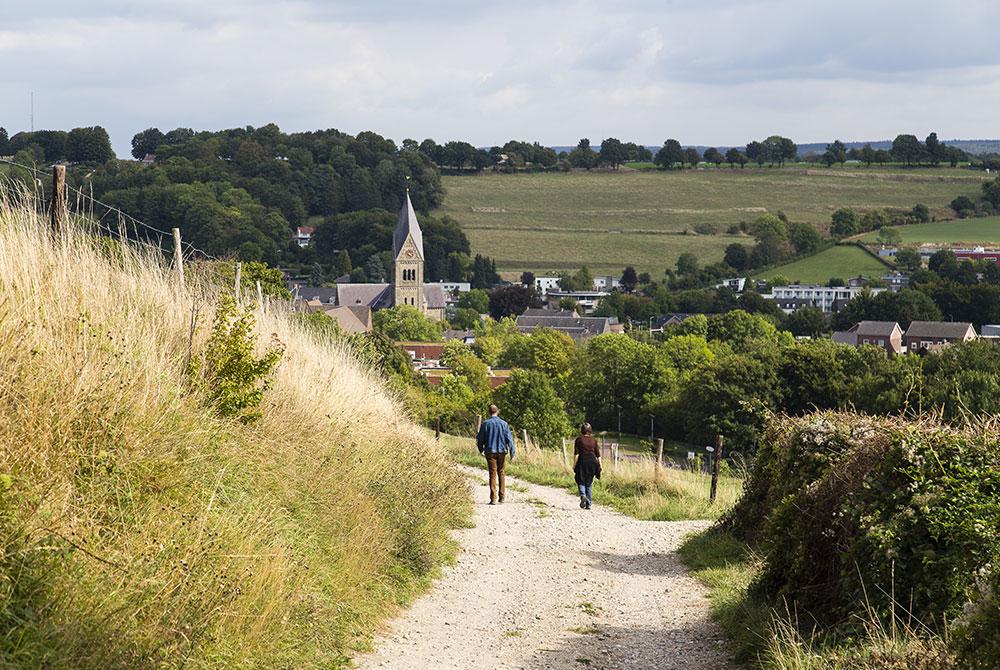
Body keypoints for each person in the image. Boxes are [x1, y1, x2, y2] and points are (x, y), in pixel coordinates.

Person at [476, 404, 516, 505]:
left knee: (492, 474)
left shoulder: (485, 424)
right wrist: (512, 453)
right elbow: (509, 439)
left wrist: (481, 450)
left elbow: (480, 439)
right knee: (501, 472)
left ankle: (493, 498)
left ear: (489, 412)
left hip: (490, 451)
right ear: (497, 411)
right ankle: (502, 497)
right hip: (502, 451)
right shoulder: (504, 424)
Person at [573, 422, 601, 509]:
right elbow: (598, 455)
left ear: (582, 430)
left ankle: (583, 495)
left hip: (582, 461)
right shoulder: (594, 440)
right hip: (592, 462)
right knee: (589, 482)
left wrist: (574, 464)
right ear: (590, 430)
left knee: (580, 480)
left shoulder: (579, 440)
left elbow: (576, 454)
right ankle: (588, 504)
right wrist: (600, 466)